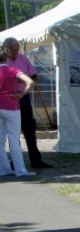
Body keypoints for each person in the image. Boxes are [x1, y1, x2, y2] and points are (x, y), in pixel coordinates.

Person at [1, 37, 52, 168]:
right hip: (8, 98)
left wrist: (21, 82)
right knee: (12, 133)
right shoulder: (3, 62)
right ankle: (14, 162)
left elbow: (34, 76)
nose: (15, 53)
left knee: (29, 129)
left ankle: (35, 159)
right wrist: (18, 80)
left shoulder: (23, 59)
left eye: (17, 50)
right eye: (13, 51)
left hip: (23, 96)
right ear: (7, 50)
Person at [0, 43, 36, 177]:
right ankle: (20, 170)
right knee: (14, 139)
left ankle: (3, 169)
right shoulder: (13, 70)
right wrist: (21, 94)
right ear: (6, 56)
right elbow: (30, 82)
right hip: (11, 106)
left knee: (0, 140)